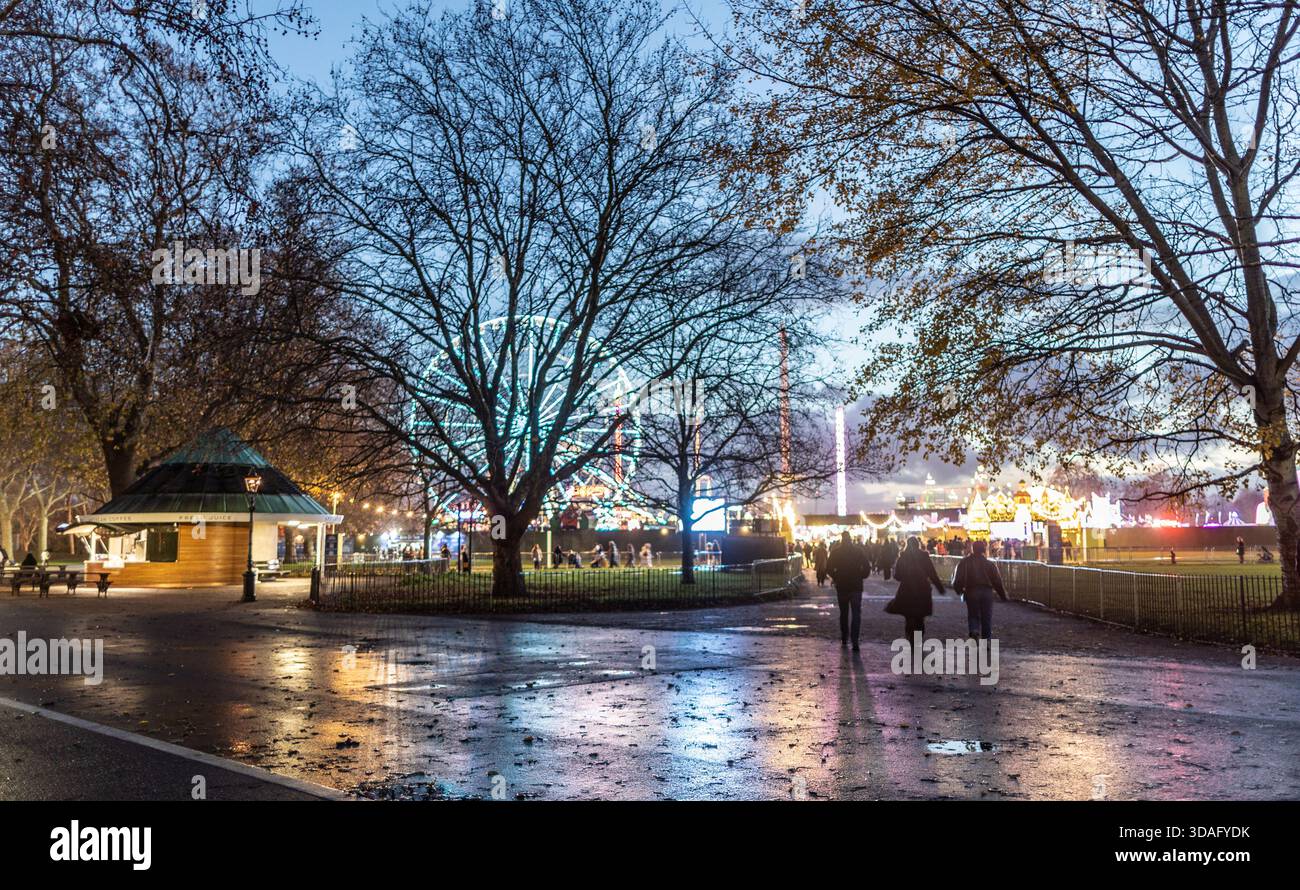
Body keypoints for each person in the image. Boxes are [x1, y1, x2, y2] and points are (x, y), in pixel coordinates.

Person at [886, 536, 946, 644]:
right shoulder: (924, 556)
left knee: (909, 615)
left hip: (907, 589)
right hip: (922, 588)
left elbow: (898, 575)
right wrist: (940, 587)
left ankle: (910, 636)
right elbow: (932, 573)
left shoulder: (903, 556)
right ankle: (918, 637)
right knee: (920, 616)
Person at [951, 540, 1008, 640]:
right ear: (984, 550)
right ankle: (986, 640)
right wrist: (1003, 595)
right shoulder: (990, 564)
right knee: (986, 617)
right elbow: (997, 581)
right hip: (987, 592)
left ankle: (974, 630)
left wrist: (959, 590)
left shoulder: (964, 562)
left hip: (971, 590)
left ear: (973, 549)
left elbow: (957, 579)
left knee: (973, 614)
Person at [825, 530, 871, 651]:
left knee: (843, 613)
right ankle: (855, 640)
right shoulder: (858, 551)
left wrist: (836, 576)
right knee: (856, 614)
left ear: (842, 539)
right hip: (856, 586)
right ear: (850, 539)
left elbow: (828, 568)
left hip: (842, 586)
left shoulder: (836, 552)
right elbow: (867, 567)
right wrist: (861, 576)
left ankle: (844, 637)